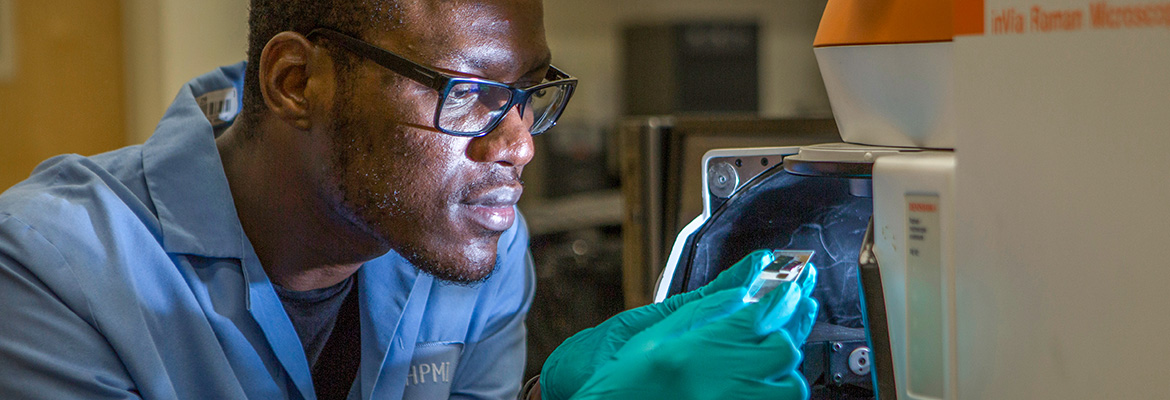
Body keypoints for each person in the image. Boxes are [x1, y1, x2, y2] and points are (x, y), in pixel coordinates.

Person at [0, 0, 818, 399]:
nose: (520, 143)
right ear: (297, 83)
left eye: (531, 93)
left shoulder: (475, 255)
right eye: (468, 95)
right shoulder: (52, 269)